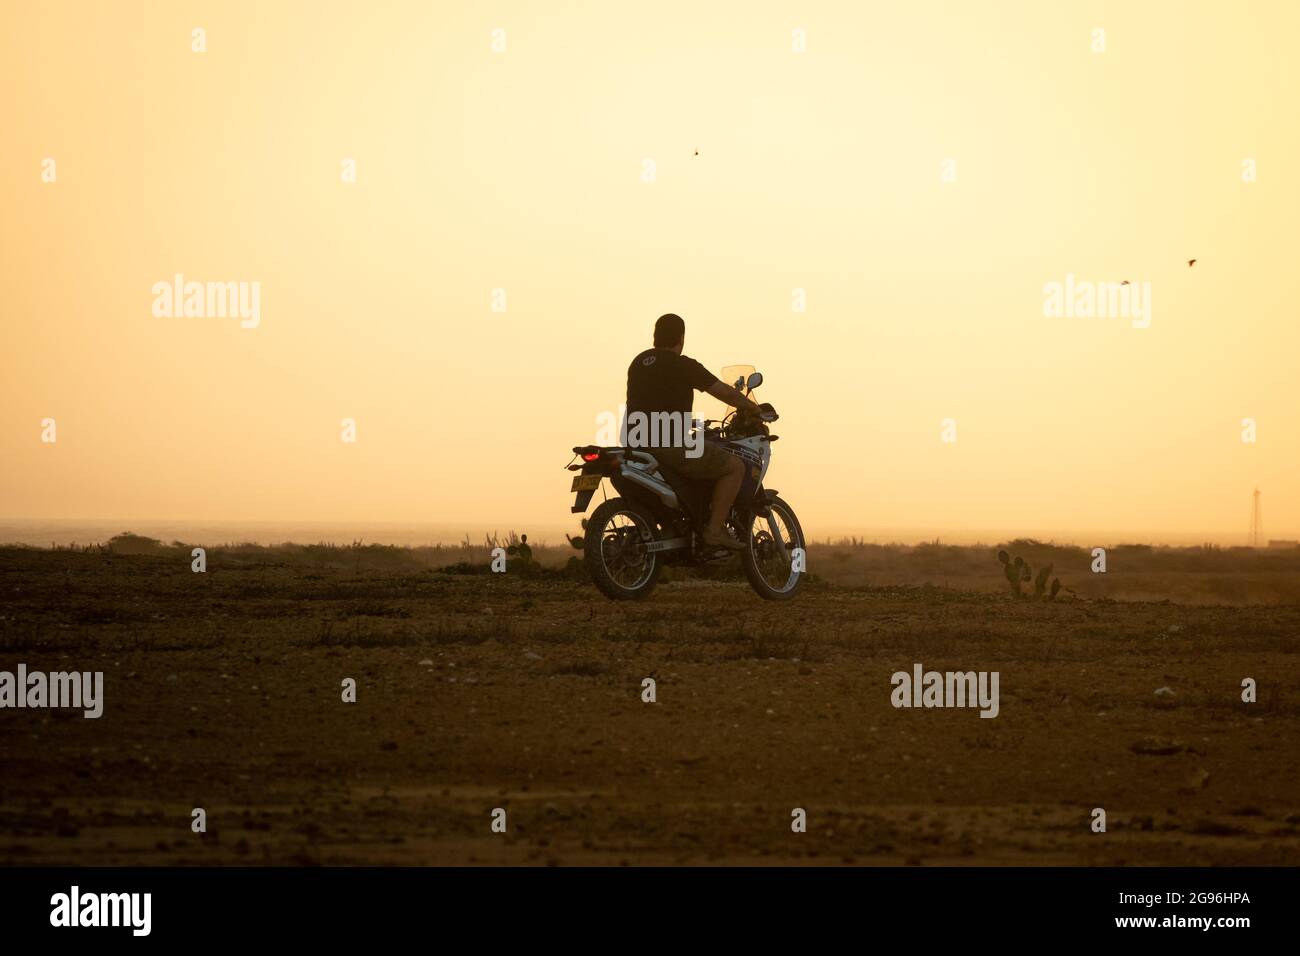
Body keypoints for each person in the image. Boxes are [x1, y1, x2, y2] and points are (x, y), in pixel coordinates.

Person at [624, 313, 762, 552]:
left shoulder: (638, 362)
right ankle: (714, 532)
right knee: (734, 467)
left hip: (634, 443)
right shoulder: (684, 365)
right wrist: (753, 408)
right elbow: (725, 393)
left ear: (655, 336)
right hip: (670, 444)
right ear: (681, 338)